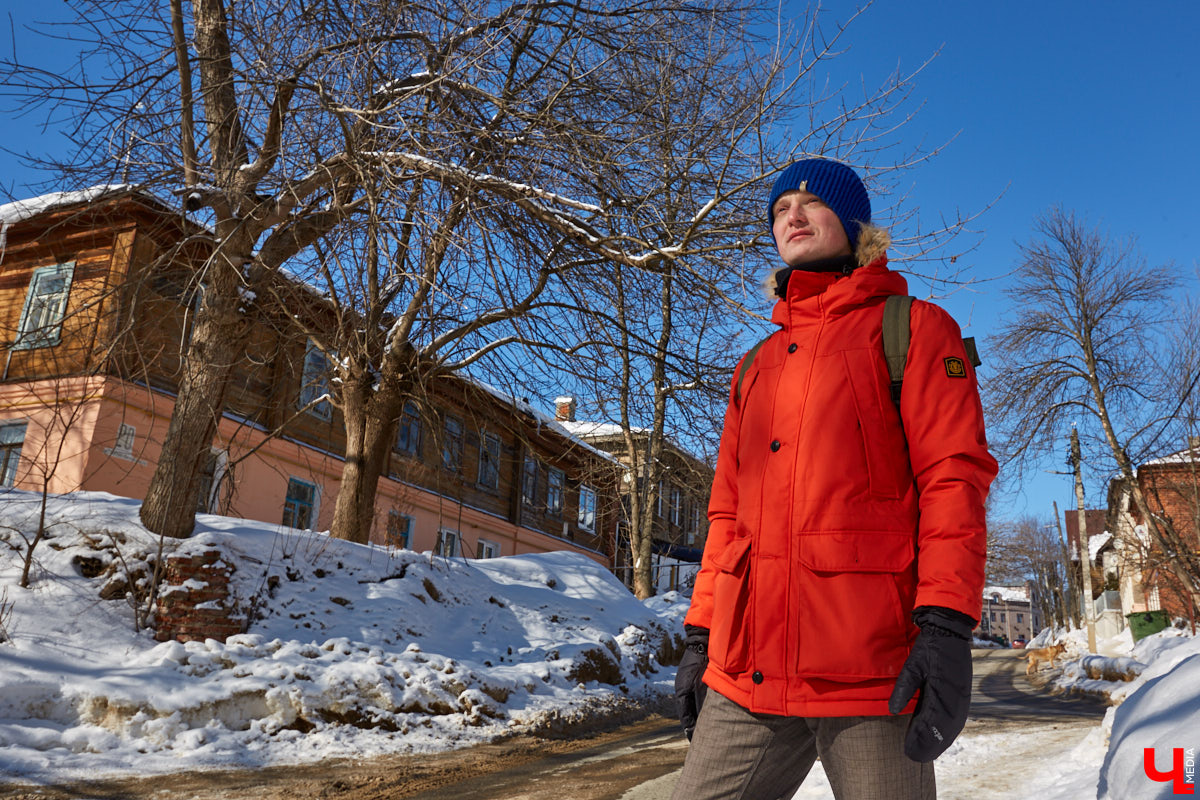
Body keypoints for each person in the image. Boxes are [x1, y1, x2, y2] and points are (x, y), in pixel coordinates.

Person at [671, 158, 997, 800]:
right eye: (778, 209)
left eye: (810, 202)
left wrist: (945, 625)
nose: (791, 215)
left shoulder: (914, 329)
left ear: (853, 224)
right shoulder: (755, 366)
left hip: (872, 671)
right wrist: (702, 631)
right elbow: (727, 515)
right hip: (748, 670)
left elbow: (953, 480)